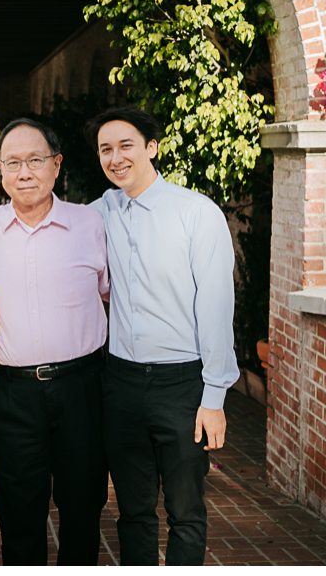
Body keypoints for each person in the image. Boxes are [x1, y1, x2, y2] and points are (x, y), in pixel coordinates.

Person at [86, 106, 239, 566]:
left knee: (186, 510)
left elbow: (215, 306)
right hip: (121, 382)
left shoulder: (196, 213)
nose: (115, 158)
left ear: (152, 148)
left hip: (182, 384)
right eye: (105, 149)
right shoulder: (96, 215)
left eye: (125, 145)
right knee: (132, 510)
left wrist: (214, 397)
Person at [0, 118, 109, 565]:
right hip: (14, 394)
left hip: (82, 388)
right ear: (1, 170)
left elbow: (109, 293)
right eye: (13, 162)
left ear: (56, 164)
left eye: (35, 160)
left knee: (83, 506)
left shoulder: (90, 224)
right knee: (19, 511)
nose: (24, 172)